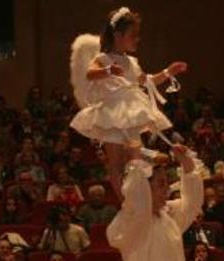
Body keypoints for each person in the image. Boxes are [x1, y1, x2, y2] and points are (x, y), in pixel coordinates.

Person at [69, 7, 188, 197]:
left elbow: (146, 81)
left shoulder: (132, 62)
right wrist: (108, 71)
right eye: (133, 35)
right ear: (118, 35)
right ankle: (126, 202)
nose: (137, 39)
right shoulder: (103, 58)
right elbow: (90, 74)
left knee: (134, 156)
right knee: (116, 163)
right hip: (112, 113)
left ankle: (138, 187)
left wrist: (168, 72)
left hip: (131, 112)